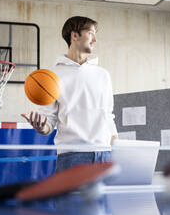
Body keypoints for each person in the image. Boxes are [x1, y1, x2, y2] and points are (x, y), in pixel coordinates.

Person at [21, 16, 118, 172]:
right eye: (91, 33)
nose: (95, 39)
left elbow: (108, 116)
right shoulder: (52, 76)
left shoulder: (103, 75)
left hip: (105, 155)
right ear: (75, 35)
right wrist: (41, 127)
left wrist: (118, 148)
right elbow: (49, 122)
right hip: (72, 157)